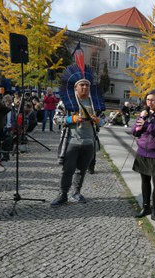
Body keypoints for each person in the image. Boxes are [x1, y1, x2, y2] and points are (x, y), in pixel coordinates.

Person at [51, 62, 105, 207]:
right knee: (67, 169)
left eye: (87, 85)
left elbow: (103, 122)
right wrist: (72, 118)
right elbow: (55, 119)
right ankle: (63, 195)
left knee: (82, 170)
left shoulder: (95, 102)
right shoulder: (66, 102)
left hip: (89, 142)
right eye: (82, 85)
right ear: (75, 87)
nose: (85, 87)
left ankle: (76, 192)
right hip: (71, 141)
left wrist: (98, 120)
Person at [131, 89, 155, 224]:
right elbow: (133, 131)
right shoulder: (144, 114)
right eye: (148, 100)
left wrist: (148, 125)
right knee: (145, 182)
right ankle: (146, 207)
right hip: (143, 153)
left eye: (153, 100)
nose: (150, 102)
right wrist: (141, 118)